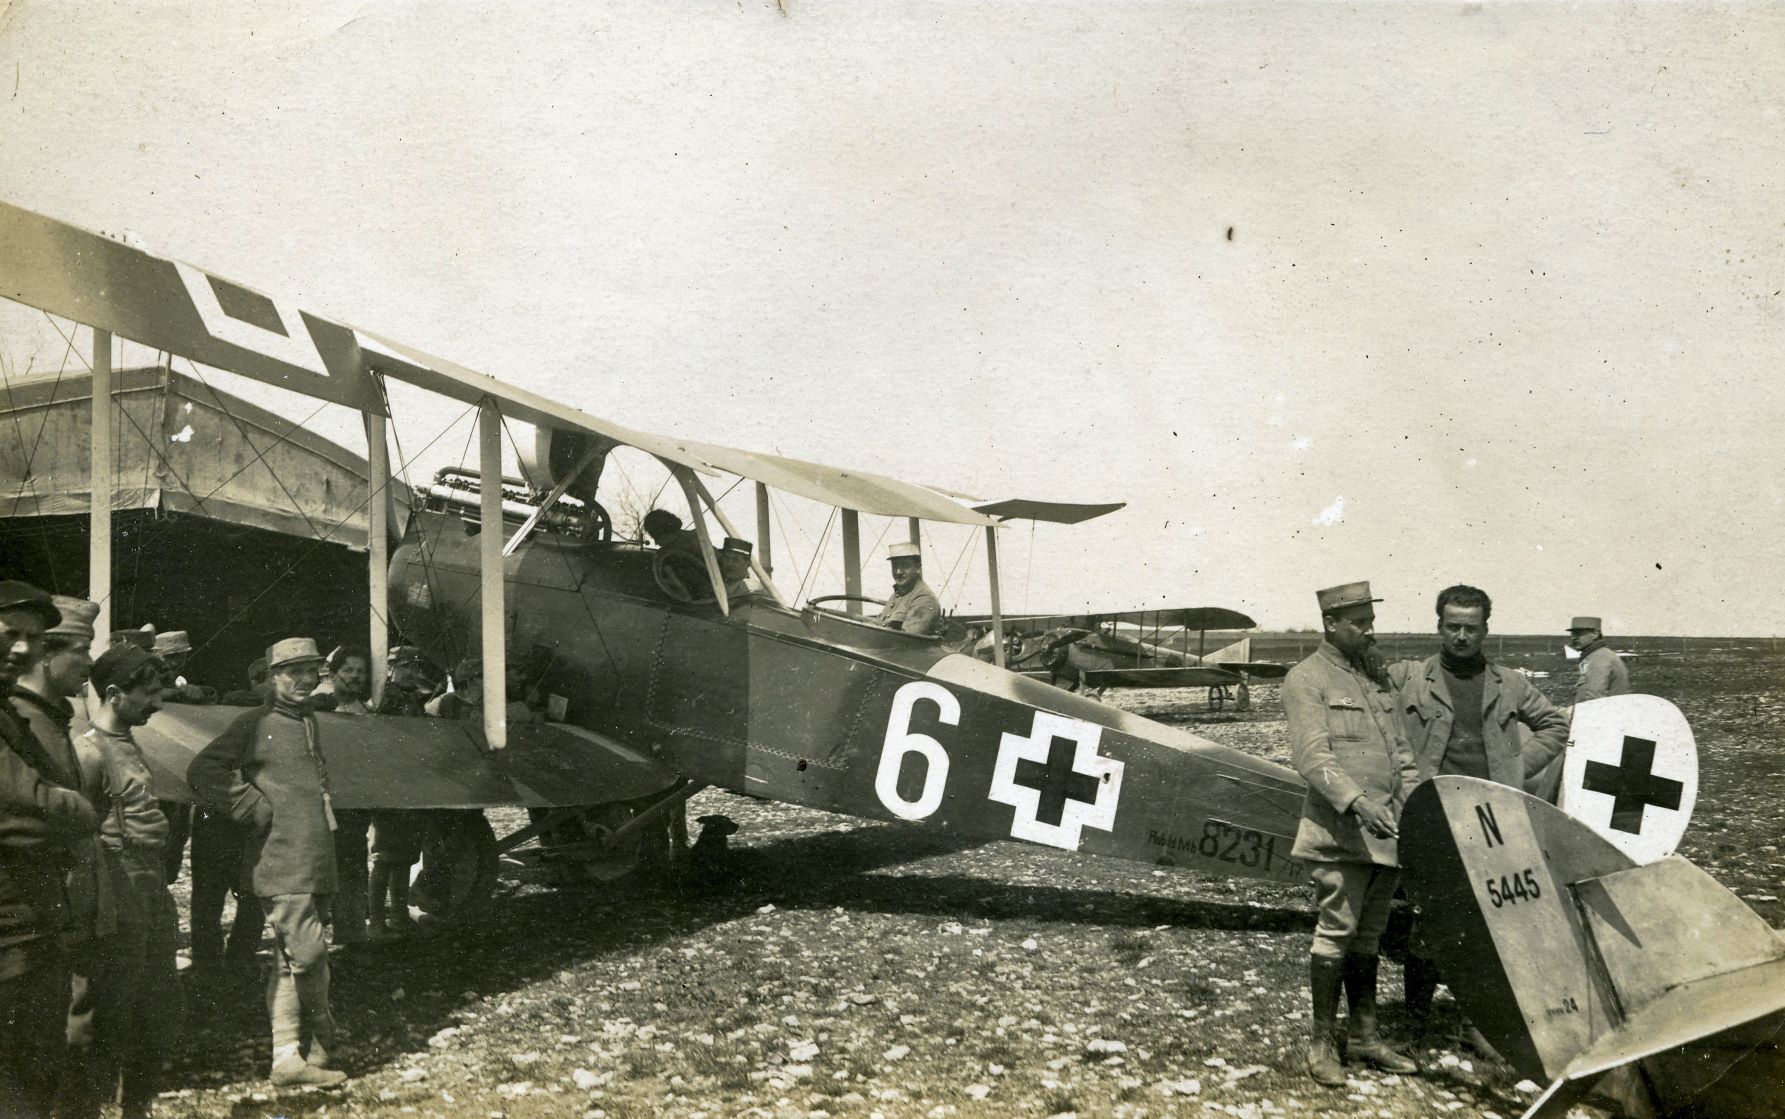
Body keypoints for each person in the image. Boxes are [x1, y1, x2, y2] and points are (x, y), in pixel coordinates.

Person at [1388, 585, 1570, 1054]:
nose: (1462, 636)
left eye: (1472, 627)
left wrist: (1514, 766)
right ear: (1439, 628)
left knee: (1493, 923)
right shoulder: (1409, 679)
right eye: (1453, 627)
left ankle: (1477, 1025)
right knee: (1426, 923)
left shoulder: (1509, 683)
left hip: (1491, 817)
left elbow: (1554, 724)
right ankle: (1414, 1025)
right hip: (1434, 817)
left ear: (1486, 629)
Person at [187, 637, 347, 1089]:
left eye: (310, 670)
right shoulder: (255, 722)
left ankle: (286, 1059)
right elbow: (203, 771)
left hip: (315, 858)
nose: (303, 679)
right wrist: (250, 806)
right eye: (291, 671)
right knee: (310, 955)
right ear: (272, 677)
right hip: (280, 861)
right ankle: (321, 1042)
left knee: (287, 960)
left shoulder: (308, 721)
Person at [1280, 580, 1420, 1086]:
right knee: (1336, 932)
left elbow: (1402, 756)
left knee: (1370, 936)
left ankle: (1364, 1037)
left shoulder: (1376, 680)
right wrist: (1358, 804)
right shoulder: (1306, 678)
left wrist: (1416, 812)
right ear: (1330, 625)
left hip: (1389, 834)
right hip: (1341, 833)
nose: (1368, 630)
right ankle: (1322, 1045)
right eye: (1358, 623)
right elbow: (1312, 757)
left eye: (1369, 621)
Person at [6, 596, 116, 1118]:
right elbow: (39, 814)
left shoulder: (48, 717)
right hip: (31, 919)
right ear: (49, 655)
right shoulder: (25, 719)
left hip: (59, 913)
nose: (90, 664)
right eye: (81, 650)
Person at [81, 644, 183, 1119]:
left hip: (149, 882)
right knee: (117, 1004)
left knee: (157, 1000)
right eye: (148, 695)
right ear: (115, 694)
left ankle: (136, 1108)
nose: (158, 705)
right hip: (120, 886)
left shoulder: (128, 742)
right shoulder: (90, 751)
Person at [319, 648, 373, 954]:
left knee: (353, 863)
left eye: (361, 671)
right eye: (349, 670)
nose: (355, 676)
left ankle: (351, 933)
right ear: (332, 673)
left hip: (353, 802)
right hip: (321, 801)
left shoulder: (365, 710)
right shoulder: (316, 704)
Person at [874, 542, 941, 636]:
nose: (899, 571)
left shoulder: (924, 599)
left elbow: (907, 641)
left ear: (917, 566)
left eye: (905, 565)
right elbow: (880, 624)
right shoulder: (898, 594)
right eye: (895, 565)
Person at [1567, 615, 1630, 704]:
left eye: (1579, 633)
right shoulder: (1595, 656)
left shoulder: (1599, 659)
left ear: (1595, 634)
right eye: (1572, 633)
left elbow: (1592, 701)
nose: (1573, 637)